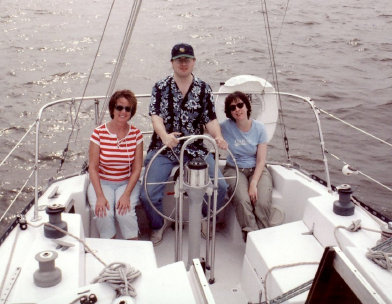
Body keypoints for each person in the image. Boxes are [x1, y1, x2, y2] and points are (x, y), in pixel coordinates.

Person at [139, 43, 228, 246]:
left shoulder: (204, 89)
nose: (183, 63)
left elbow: (211, 119)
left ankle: (205, 217)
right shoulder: (160, 87)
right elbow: (155, 116)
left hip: (196, 149)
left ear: (194, 62)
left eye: (187, 59)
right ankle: (158, 224)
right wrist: (164, 136)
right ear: (172, 63)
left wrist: (218, 137)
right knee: (147, 194)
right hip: (165, 148)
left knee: (221, 187)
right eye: (179, 60)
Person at [87, 89, 143, 240]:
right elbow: (92, 167)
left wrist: (126, 195)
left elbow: (137, 169)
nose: (123, 111)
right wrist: (99, 196)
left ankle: (133, 247)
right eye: (119, 107)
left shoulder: (136, 135)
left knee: (125, 212)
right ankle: (110, 247)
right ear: (112, 108)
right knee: (103, 213)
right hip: (102, 182)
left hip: (126, 183)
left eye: (127, 108)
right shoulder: (98, 133)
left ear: (132, 112)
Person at [220, 91, 273, 241]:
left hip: (258, 170)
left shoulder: (260, 128)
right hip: (234, 169)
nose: (237, 109)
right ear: (229, 112)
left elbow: (261, 160)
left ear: (247, 106)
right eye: (232, 107)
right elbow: (208, 129)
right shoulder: (225, 127)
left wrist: (254, 183)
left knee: (262, 202)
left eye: (240, 105)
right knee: (243, 201)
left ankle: (263, 239)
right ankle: (252, 238)